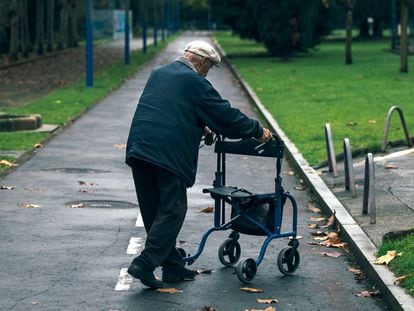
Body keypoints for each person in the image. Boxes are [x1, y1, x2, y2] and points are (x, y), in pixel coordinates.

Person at [125, 40, 272, 289]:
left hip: (140, 148)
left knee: (153, 209)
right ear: (201, 61)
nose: (208, 73)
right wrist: (258, 131)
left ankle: (172, 266)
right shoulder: (196, 82)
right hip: (167, 153)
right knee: (173, 209)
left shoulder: (159, 73)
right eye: (209, 67)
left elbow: (169, 107)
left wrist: (199, 123)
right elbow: (226, 116)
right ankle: (145, 263)